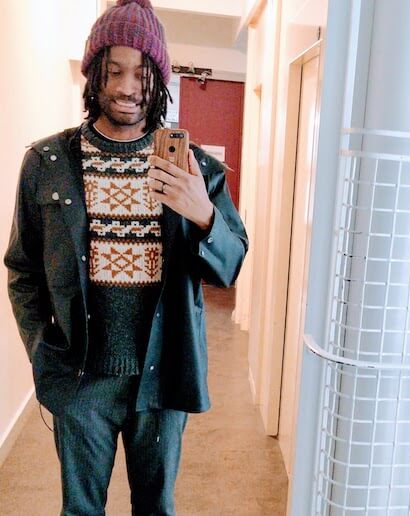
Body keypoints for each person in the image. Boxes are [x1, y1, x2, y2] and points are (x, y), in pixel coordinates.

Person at [4, 0, 248, 514]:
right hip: (80, 379)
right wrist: (43, 356)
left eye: (141, 72)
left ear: (159, 80)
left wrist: (203, 214)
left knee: (155, 508)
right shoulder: (48, 162)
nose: (126, 87)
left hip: (162, 378)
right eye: (113, 71)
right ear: (93, 75)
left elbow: (230, 265)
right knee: (81, 510)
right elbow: (23, 270)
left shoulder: (196, 169)